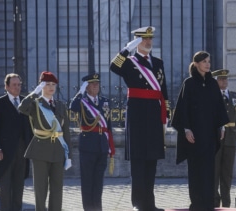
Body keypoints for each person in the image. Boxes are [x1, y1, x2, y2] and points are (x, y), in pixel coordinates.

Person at [110, 26, 169, 211]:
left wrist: (165, 114)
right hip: (136, 114)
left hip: (153, 113)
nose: (148, 42)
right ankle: (138, 204)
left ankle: (150, 204)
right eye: (144, 39)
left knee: (151, 161)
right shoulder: (129, 62)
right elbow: (113, 66)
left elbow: (163, 90)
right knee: (138, 161)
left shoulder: (158, 62)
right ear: (137, 41)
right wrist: (127, 48)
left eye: (150, 38)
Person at [171, 51, 229, 211]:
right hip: (194, 136)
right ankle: (196, 204)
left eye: (209, 61)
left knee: (209, 170)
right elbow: (183, 109)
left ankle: (208, 203)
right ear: (196, 64)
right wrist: (186, 129)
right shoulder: (189, 83)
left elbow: (219, 107)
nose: (208, 64)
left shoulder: (212, 84)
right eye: (204, 61)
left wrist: (221, 126)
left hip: (209, 135)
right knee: (196, 170)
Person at [18, 71, 72, 211]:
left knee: (57, 188)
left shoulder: (60, 105)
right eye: (47, 84)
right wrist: (34, 93)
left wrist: (69, 155)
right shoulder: (36, 103)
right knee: (40, 189)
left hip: (58, 150)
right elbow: (22, 108)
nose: (51, 87)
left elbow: (65, 131)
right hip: (40, 150)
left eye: (53, 84)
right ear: (41, 86)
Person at [69, 73, 115, 211]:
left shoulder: (104, 101)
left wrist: (110, 146)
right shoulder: (82, 102)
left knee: (98, 182)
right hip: (88, 145)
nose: (96, 86)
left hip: (102, 145)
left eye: (97, 83)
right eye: (92, 84)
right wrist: (80, 92)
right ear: (86, 87)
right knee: (88, 181)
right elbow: (73, 107)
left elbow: (108, 125)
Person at [0, 73, 33, 211]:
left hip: (22, 151)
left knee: (18, 187)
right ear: (7, 86)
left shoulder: (25, 102)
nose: (17, 87)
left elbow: (30, 127)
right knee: (5, 188)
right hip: (5, 152)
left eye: (19, 84)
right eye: (14, 85)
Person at [212, 69, 236, 208]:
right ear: (215, 80)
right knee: (214, 173)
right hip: (216, 138)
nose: (224, 81)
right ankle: (214, 201)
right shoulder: (211, 95)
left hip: (231, 138)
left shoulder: (235, 96)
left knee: (227, 174)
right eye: (221, 79)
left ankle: (226, 204)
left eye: (226, 79)